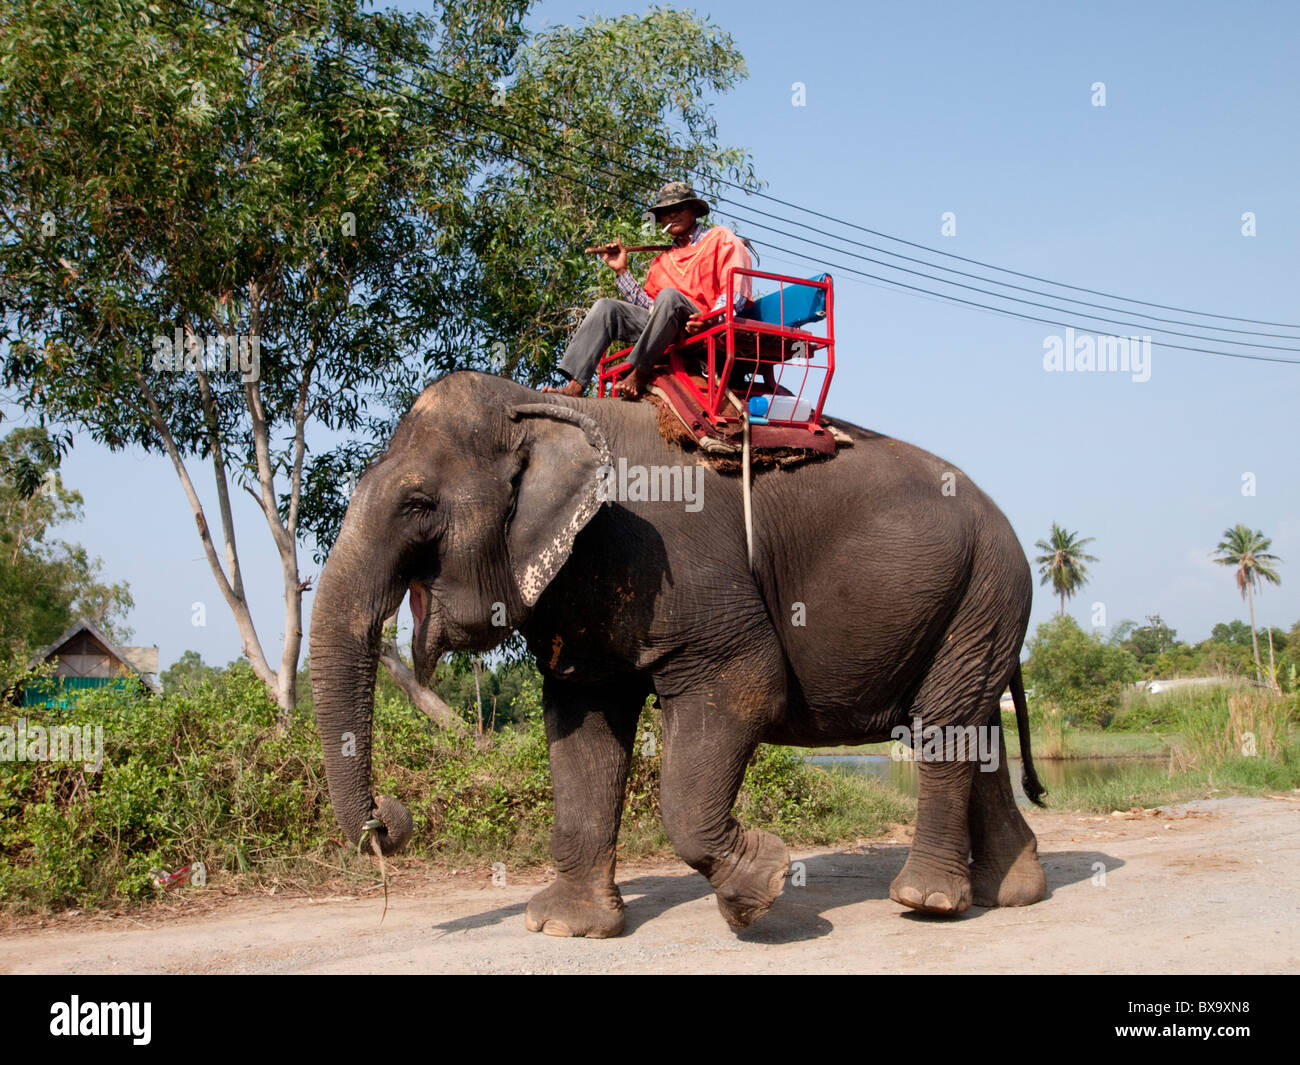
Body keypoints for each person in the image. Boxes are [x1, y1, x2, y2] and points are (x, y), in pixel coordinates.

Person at [543, 182, 752, 399]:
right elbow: (651, 309)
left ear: (695, 211)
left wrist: (712, 320)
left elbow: (734, 294)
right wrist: (622, 271)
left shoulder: (720, 238)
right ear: (660, 220)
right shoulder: (660, 262)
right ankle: (576, 385)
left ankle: (639, 373)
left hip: (704, 323)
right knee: (606, 307)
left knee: (669, 296)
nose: (672, 215)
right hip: (665, 326)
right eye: (665, 212)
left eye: (679, 209)